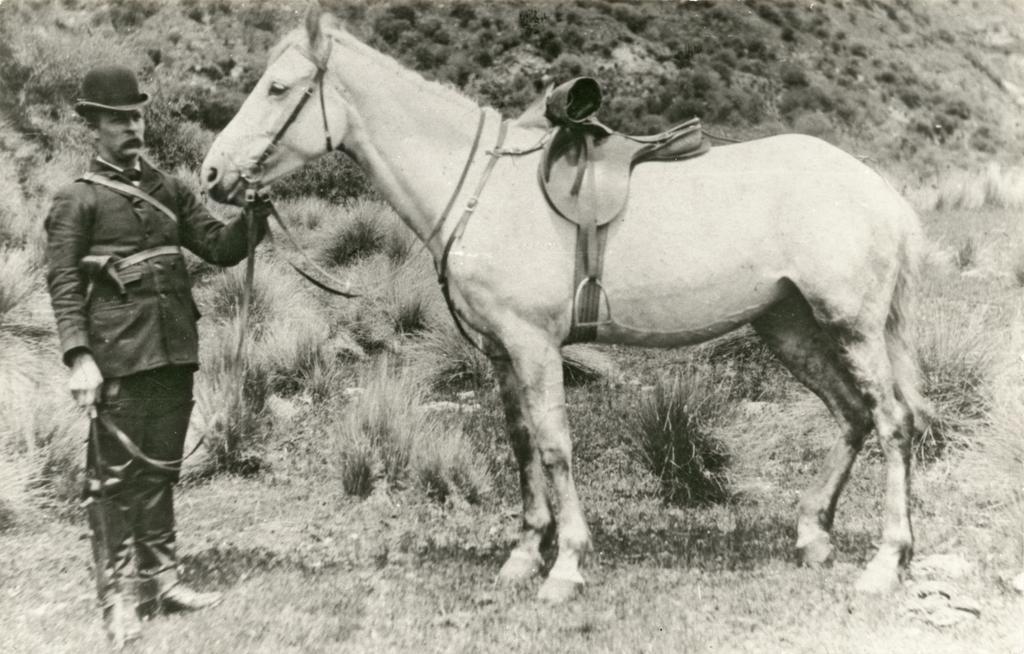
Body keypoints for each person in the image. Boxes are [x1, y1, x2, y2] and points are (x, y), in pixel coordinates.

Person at [43, 64, 269, 648]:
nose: (131, 127)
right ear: (93, 125)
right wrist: (79, 357)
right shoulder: (78, 200)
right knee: (112, 481)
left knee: (161, 472)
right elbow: (64, 285)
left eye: (137, 116)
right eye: (118, 119)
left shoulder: (169, 189)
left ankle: (162, 581)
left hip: (174, 352)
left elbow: (219, 248)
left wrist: (255, 214)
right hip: (116, 359)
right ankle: (116, 598)